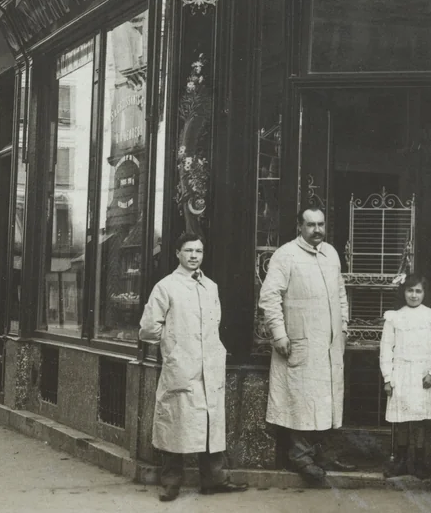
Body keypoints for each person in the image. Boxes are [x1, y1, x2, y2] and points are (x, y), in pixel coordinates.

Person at [138, 233, 248, 502]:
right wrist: (173, 347)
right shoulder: (166, 287)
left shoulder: (210, 286)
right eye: (188, 250)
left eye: (199, 251)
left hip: (208, 366)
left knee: (210, 422)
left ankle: (212, 479)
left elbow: (214, 321)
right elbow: (148, 329)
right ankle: (171, 482)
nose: (194, 256)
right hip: (181, 365)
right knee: (176, 422)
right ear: (177, 253)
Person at [258, 207, 355, 486]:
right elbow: (269, 296)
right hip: (299, 341)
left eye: (321, 224)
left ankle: (322, 454)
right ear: (300, 226)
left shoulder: (332, 254)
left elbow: (340, 294)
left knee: (325, 399)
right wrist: (279, 334)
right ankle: (300, 457)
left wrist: (344, 327)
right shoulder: (286, 255)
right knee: (301, 399)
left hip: (329, 342)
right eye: (310, 224)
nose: (317, 229)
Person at [379, 273, 431, 478]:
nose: (414, 295)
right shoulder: (394, 317)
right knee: (402, 420)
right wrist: (388, 378)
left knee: (420, 420)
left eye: (418, 291)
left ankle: (419, 460)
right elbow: (386, 349)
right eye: (410, 290)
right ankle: (400, 460)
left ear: (424, 293)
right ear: (403, 292)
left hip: (422, 374)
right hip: (402, 374)